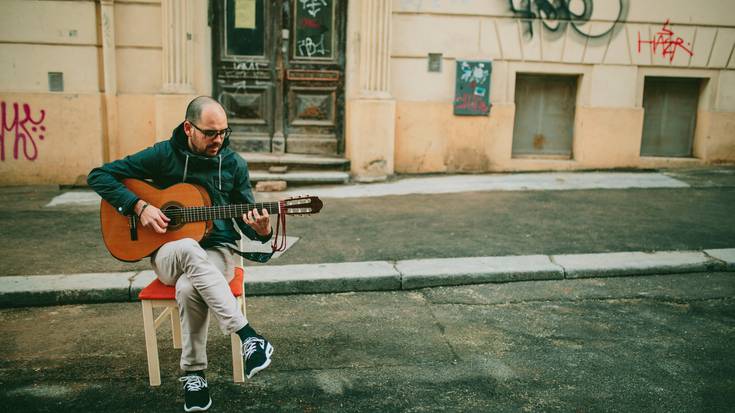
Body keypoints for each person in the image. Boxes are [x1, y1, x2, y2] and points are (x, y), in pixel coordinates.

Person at [88, 96, 273, 412]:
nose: (218, 140)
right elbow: (99, 175)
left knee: (189, 288)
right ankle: (248, 336)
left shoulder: (234, 164)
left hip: (218, 250)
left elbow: (248, 225)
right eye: (210, 133)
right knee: (187, 247)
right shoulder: (163, 154)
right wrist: (139, 206)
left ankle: (194, 375)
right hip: (168, 253)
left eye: (223, 133)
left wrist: (263, 229)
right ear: (189, 127)